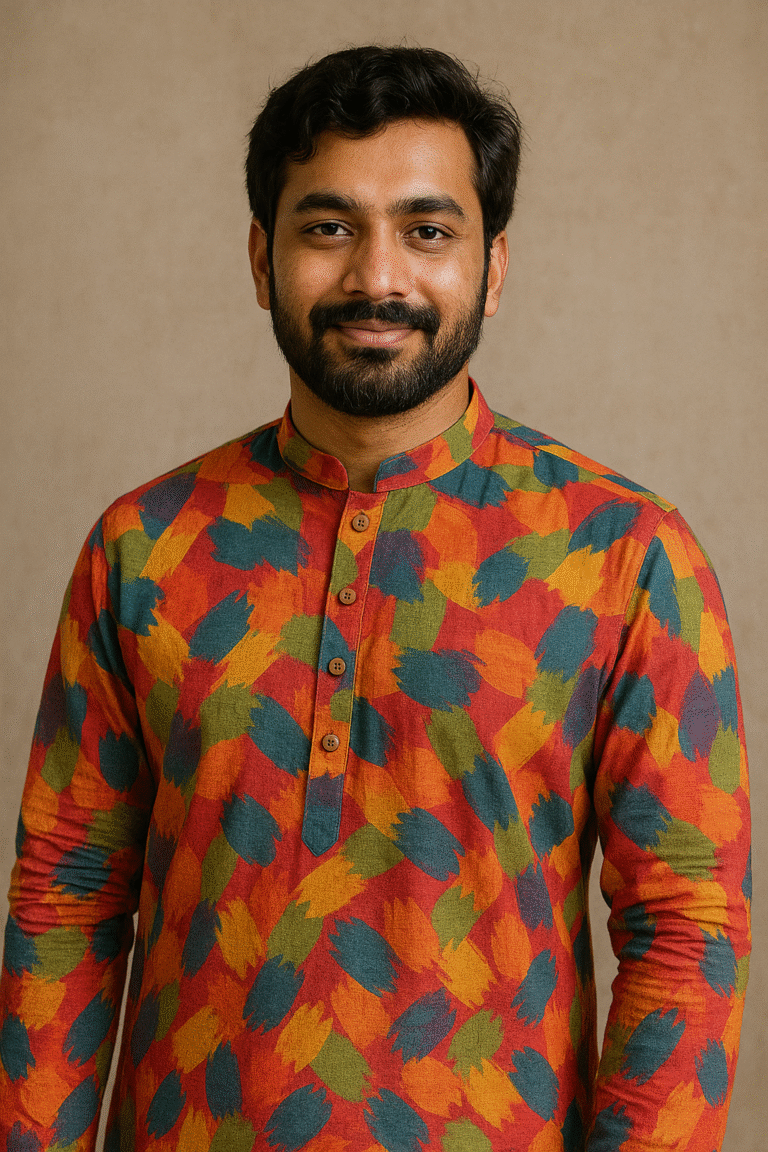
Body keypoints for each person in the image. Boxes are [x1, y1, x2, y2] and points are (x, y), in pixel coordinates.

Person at [0, 45, 750, 1152]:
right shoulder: (144, 547)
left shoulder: (626, 555)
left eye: (427, 230)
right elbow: (65, 903)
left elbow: (687, 928)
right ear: (262, 258)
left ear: (494, 266)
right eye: (328, 227)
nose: (376, 277)